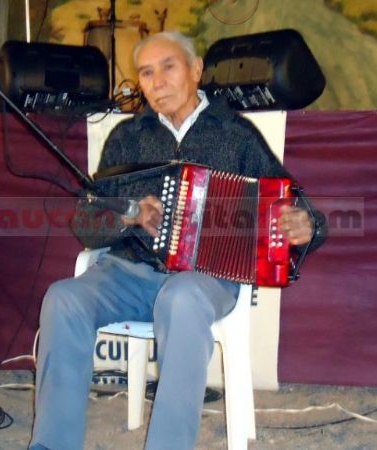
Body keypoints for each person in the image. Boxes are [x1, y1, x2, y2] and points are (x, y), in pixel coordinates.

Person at [31, 31, 326, 450]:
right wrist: (131, 215)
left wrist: (307, 225)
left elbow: (298, 204)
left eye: (168, 66)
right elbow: (86, 220)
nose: (156, 81)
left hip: (205, 278)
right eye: (146, 73)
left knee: (181, 298)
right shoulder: (127, 138)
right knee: (62, 298)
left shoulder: (235, 135)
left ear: (196, 70)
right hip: (128, 272)